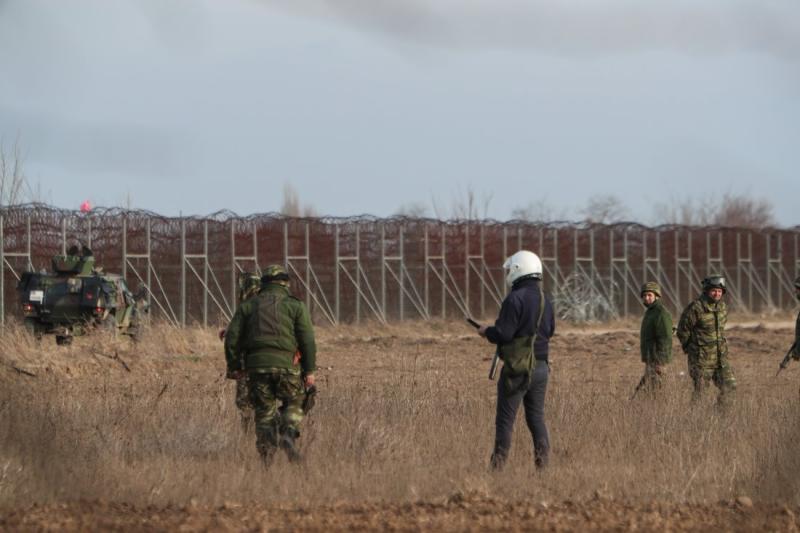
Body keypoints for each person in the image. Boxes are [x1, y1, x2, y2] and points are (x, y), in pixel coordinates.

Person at [224, 264, 317, 464]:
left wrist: (235, 367)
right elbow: (307, 340)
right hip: (288, 367)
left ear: (263, 283)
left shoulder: (248, 306)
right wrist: (309, 371)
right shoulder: (296, 305)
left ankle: (266, 460)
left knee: (264, 413)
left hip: (257, 368)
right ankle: (288, 433)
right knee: (297, 401)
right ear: (286, 283)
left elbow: (231, 337)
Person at [477, 250, 555, 470]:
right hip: (541, 368)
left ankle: (497, 470)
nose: (508, 273)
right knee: (536, 419)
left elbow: (504, 334)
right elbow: (550, 330)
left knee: (505, 421)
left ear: (519, 270)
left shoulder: (514, 299)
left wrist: (486, 331)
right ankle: (543, 469)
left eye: (511, 269)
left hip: (517, 369)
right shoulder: (544, 300)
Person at [676, 275, 736, 404]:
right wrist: (691, 349)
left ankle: (719, 417)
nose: (717, 294)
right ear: (707, 290)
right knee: (701, 393)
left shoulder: (723, 308)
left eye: (720, 291)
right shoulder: (696, 307)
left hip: (720, 359)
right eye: (714, 291)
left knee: (730, 386)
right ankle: (694, 420)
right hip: (701, 360)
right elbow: (682, 330)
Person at [219, 273, 262, 429]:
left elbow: (234, 336)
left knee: (245, 402)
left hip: (247, 363)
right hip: (270, 361)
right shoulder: (270, 304)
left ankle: (250, 433)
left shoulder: (246, 306)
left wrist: (233, 367)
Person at [633, 281, 673, 396]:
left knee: (656, 390)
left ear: (656, 296)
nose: (646, 298)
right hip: (651, 359)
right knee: (650, 389)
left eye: (650, 295)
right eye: (645, 295)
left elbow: (665, 338)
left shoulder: (660, 313)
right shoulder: (651, 312)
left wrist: (660, 361)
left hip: (657, 360)